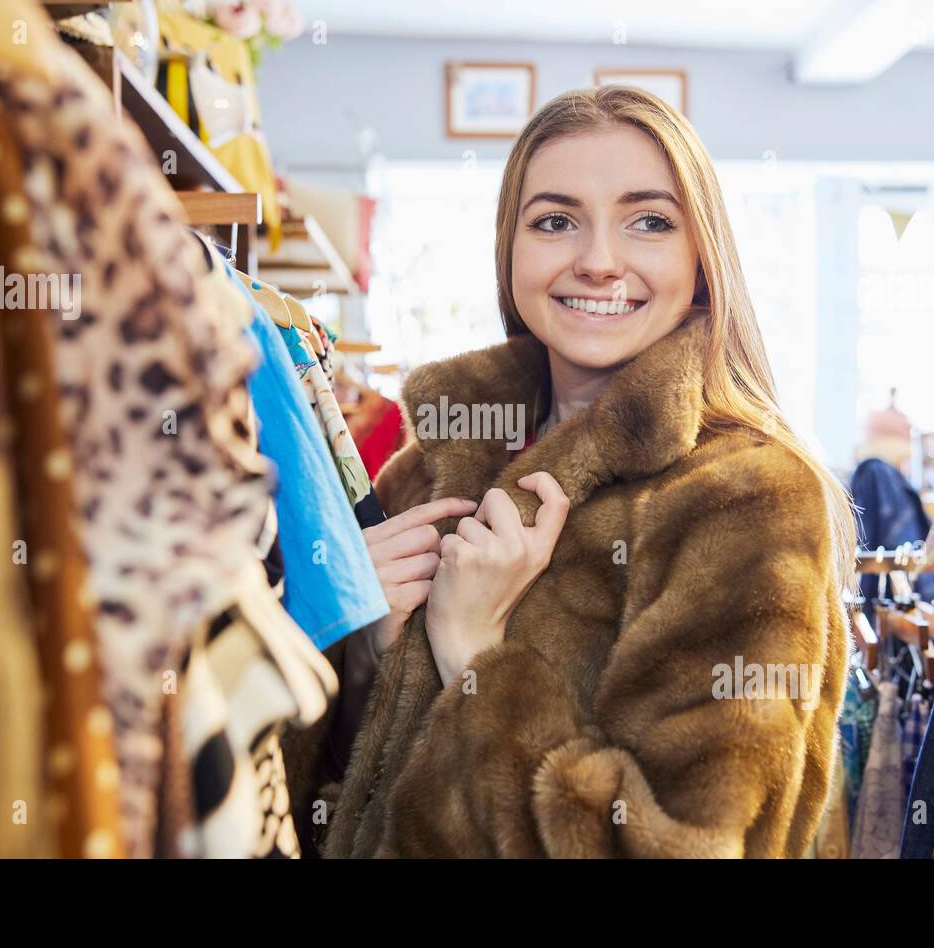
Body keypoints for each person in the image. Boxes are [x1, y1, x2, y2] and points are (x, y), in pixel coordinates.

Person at [287, 84, 856, 858]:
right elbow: (318, 799)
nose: (597, 261)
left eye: (649, 221)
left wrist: (479, 659)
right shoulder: (425, 473)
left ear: (701, 259)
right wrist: (351, 646)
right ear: (510, 250)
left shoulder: (743, 499)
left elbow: (693, 846)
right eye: (555, 221)